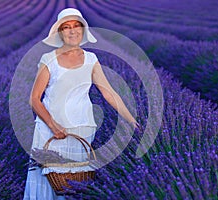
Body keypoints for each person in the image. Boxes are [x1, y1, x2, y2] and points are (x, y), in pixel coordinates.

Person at [23, 8, 140, 200]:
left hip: (82, 129)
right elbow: (34, 99)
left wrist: (130, 119)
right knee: (46, 181)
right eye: (66, 27)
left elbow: (108, 93)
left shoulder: (91, 59)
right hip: (49, 130)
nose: (72, 31)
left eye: (76, 26)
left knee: (73, 182)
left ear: (83, 30)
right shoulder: (49, 59)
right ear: (60, 33)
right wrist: (53, 126)